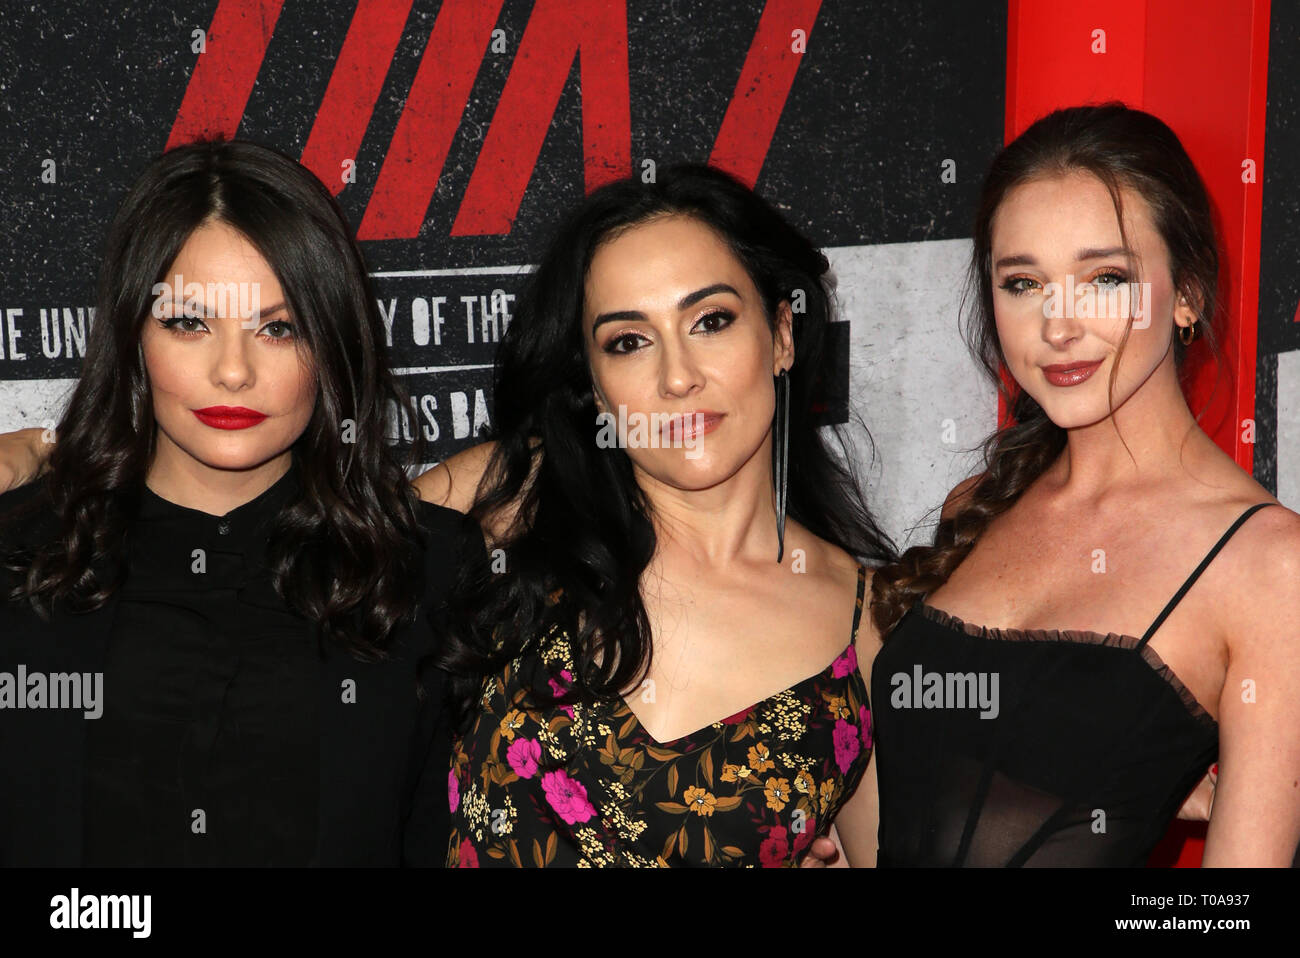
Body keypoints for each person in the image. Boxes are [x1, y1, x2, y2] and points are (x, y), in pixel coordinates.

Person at [0, 139, 477, 866]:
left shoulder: (426, 568)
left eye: (278, 327)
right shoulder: (20, 554)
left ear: (331, 345)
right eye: (189, 323)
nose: (233, 370)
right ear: (132, 334)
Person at [420, 164, 893, 866]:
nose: (677, 377)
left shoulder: (861, 632)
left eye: (711, 321)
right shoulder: (505, 502)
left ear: (783, 335)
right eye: (628, 341)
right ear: (594, 381)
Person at [868, 104, 1300, 866]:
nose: (1057, 325)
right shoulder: (979, 504)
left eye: (1105, 277)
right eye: (1023, 282)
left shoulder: (1271, 568)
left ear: (1188, 293)